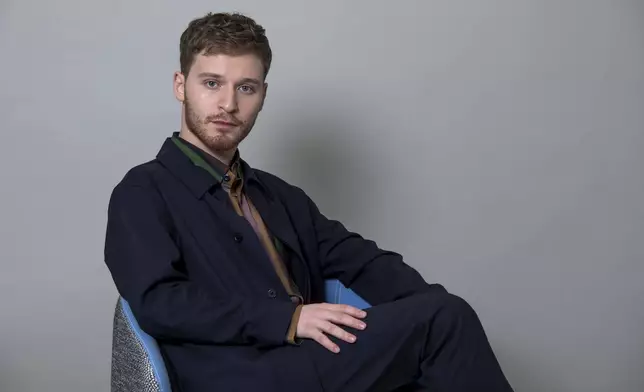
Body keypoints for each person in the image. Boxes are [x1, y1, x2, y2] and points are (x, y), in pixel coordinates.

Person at [104, 11, 514, 392]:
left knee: (442, 326)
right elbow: (160, 303)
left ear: (262, 95)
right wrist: (290, 319)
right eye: (212, 83)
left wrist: (432, 303)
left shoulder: (277, 195)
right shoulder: (142, 192)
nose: (228, 104)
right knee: (444, 324)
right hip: (234, 375)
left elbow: (361, 261)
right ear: (181, 86)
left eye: (245, 88)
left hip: (307, 362)